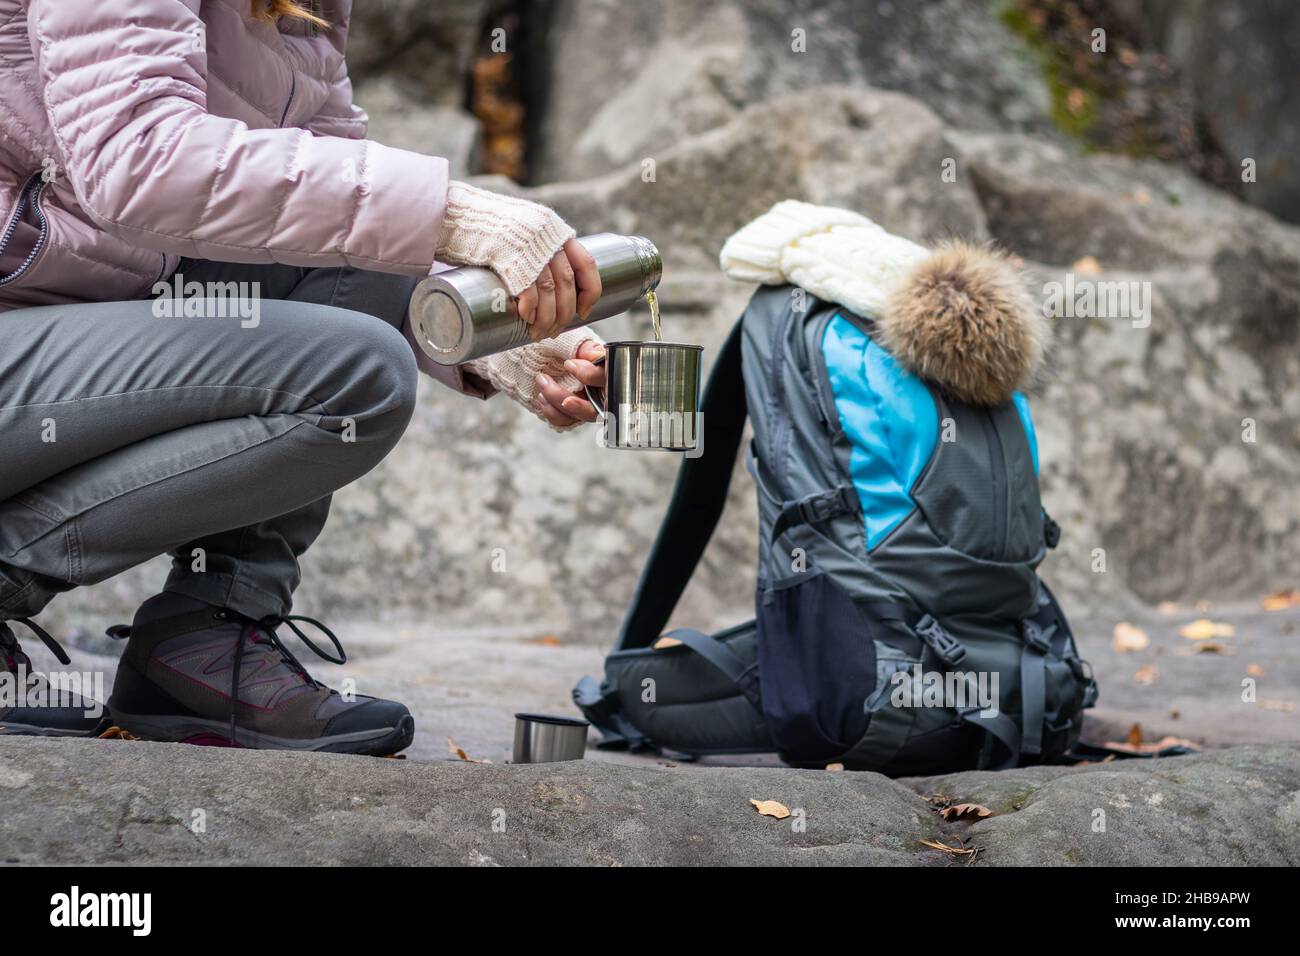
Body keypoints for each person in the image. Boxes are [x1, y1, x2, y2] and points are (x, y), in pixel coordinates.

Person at [0, 0, 605, 755]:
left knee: (351, 279)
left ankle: (202, 643)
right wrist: (462, 214)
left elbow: (329, 200)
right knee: (356, 377)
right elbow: (143, 160)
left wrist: (488, 335)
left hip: (53, 324)